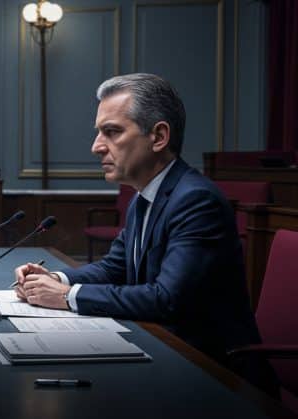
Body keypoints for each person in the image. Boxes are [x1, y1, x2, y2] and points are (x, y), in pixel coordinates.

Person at [13, 73, 262, 365]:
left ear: (159, 137)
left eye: (112, 132)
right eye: (99, 132)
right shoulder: (144, 197)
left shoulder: (196, 200)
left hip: (211, 369)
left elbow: (167, 299)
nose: (96, 146)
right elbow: (114, 268)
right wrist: (54, 279)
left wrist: (67, 296)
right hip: (161, 349)